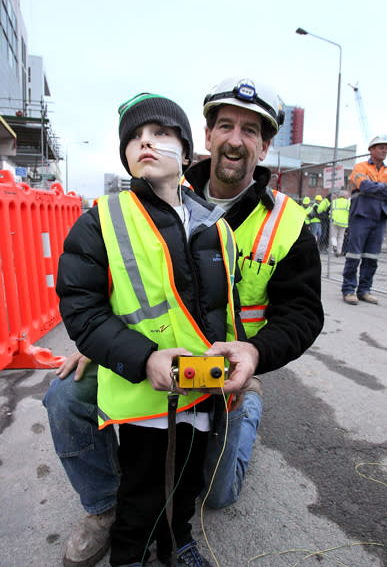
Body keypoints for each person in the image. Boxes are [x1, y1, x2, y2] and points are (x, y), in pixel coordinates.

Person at [44, 76, 324, 567]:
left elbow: (302, 313)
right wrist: (107, 342)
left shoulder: (287, 223)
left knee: (210, 494)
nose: (237, 140)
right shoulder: (149, 191)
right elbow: (102, 286)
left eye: (251, 130)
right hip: (146, 360)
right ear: (208, 134)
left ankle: (247, 409)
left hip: (224, 373)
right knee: (65, 395)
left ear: (265, 144)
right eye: (227, 125)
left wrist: (255, 354)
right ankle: (105, 510)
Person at [55, 92, 253, 567]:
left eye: (161, 133)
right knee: (142, 489)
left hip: (202, 389)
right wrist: (142, 358)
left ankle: (178, 543)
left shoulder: (216, 228)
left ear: (186, 152)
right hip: (147, 392)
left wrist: (240, 360)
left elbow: (228, 307)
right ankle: (129, 555)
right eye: (135, 138)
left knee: (186, 483)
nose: (146, 142)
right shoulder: (101, 220)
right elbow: (82, 309)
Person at [342, 135, 387, 305]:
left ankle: (364, 290)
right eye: (380, 147)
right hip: (361, 216)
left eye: (385, 147)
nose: (384, 150)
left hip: (379, 217)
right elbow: (364, 186)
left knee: (372, 257)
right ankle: (348, 289)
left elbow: (371, 187)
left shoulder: (385, 170)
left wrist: (376, 187)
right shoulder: (359, 167)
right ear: (371, 149)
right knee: (354, 255)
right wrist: (382, 187)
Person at [329, 190, 350, 256]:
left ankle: (334, 245)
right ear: (344, 196)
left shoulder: (334, 202)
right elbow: (350, 212)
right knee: (341, 237)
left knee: (333, 236)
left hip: (335, 221)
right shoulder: (348, 203)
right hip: (344, 222)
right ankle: (338, 251)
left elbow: (330, 211)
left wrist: (330, 217)